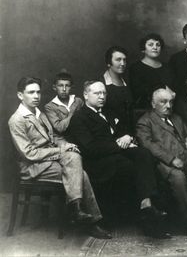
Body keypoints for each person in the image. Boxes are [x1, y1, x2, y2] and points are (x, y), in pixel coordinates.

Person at [8, 77, 111, 239]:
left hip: (48, 161)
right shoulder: (17, 120)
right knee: (80, 174)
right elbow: (29, 153)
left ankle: (77, 210)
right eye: (31, 92)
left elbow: (52, 137)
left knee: (74, 156)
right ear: (21, 95)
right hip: (33, 167)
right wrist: (59, 151)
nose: (36, 96)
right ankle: (88, 219)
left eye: (38, 92)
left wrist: (65, 146)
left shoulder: (39, 113)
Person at [68, 81, 170, 239]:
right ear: (86, 95)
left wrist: (127, 136)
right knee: (131, 167)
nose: (102, 96)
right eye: (97, 93)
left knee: (144, 154)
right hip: (97, 163)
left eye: (104, 93)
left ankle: (146, 202)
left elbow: (123, 130)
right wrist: (119, 145)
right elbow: (90, 148)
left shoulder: (109, 112)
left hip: (117, 154)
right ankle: (148, 216)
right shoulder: (79, 118)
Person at [135, 87, 187, 241]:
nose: (168, 106)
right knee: (178, 177)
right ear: (153, 104)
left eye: (170, 102)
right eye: (163, 102)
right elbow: (147, 145)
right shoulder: (145, 122)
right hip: (163, 163)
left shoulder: (176, 118)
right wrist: (170, 159)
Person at [128, 34, 174, 109]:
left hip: (168, 107)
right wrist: (162, 87)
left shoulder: (167, 67)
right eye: (150, 45)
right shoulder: (136, 68)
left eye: (158, 45)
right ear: (143, 49)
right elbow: (138, 93)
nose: (155, 47)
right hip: (145, 110)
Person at [101, 46, 135, 133]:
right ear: (109, 63)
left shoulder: (127, 83)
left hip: (129, 133)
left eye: (124, 60)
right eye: (118, 60)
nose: (123, 63)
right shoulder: (100, 84)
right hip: (109, 133)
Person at [44, 71, 84, 139]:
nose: (64, 89)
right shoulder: (50, 106)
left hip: (82, 135)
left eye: (67, 86)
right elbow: (60, 128)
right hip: (65, 140)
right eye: (60, 86)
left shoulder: (78, 101)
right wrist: (72, 112)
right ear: (54, 87)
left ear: (71, 87)